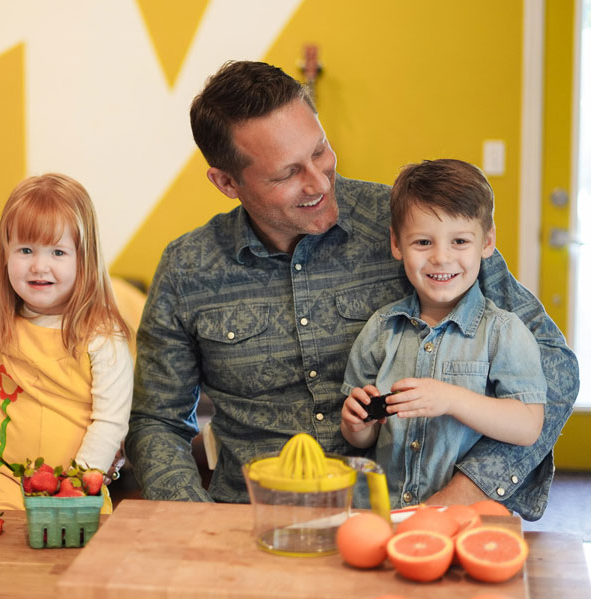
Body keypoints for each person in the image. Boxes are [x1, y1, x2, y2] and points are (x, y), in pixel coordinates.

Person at [125, 60, 577, 520]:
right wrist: (197, 523)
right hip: (252, 521)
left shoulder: (418, 226)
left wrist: (457, 500)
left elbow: (555, 369)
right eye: (287, 174)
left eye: (321, 150)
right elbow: (157, 423)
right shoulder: (188, 269)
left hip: (407, 519)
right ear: (226, 182)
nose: (319, 182)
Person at [340, 159, 546, 509]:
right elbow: (362, 438)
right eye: (423, 242)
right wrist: (357, 422)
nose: (441, 257)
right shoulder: (380, 329)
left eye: (460, 241)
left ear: (487, 241)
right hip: (382, 512)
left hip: (463, 519)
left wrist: (452, 400)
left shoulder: (503, 333)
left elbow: (528, 425)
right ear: (396, 244)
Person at [0, 174, 133, 512]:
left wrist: (79, 483)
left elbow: (110, 421)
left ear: (83, 259)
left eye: (58, 252)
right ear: (6, 254)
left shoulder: (102, 334)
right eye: (25, 250)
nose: (39, 266)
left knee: (77, 563)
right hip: (4, 479)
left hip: (75, 487)